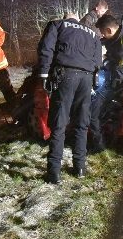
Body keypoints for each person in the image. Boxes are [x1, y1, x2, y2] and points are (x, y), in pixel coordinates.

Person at [38, 12, 102, 184]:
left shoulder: (57, 25)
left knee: (59, 124)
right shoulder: (92, 33)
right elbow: (98, 59)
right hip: (86, 78)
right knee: (82, 123)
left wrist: (44, 74)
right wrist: (94, 78)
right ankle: (80, 167)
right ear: (77, 18)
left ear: (66, 17)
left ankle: (54, 173)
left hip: (65, 75)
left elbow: (46, 49)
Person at [89, 13, 123, 152]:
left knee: (94, 113)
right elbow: (111, 43)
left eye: (104, 33)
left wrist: (112, 84)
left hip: (116, 80)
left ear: (110, 30)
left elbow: (122, 67)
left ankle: (98, 146)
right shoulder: (121, 33)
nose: (103, 36)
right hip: (113, 73)